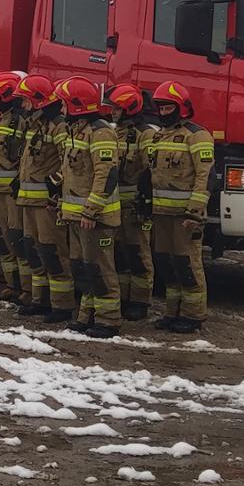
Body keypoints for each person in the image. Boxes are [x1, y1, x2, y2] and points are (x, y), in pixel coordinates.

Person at [57, 75, 123, 338]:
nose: (61, 109)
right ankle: (86, 315)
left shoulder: (101, 132)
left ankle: (108, 320)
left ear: (76, 105)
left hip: (96, 218)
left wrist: (91, 210)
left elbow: (106, 175)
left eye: (64, 104)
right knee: (83, 267)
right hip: (76, 216)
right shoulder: (76, 130)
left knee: (100, 268)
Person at [146, 81, 214, 333]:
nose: (163, 113)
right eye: (161, 108)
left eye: (168, 108)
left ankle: (193, 315)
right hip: (161, 214)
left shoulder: (197, 135)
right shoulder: (157, 136)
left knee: (187, 265)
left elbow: (205, 176)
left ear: (181, 108)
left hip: (185, 216)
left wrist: (195, 212)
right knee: (166, 264)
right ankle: (172, 312)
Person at [14, 74, 72, 320]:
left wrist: (54, 189)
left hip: (46, 204)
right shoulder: (35, 124)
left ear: (38, 101)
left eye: (26, 101)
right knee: (33, 251)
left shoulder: (59, 126)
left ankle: (61, 305)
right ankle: (40, 299)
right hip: (27, 201)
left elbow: (68, 162)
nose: (23, 105)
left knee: (53, 252)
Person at [107, 82, 158, 322]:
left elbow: (152, 170)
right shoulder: (113, 133)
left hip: (135, 205)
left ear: (129, 108)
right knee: (119, 253)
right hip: (116, 205)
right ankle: (124, 297)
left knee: (138, 253)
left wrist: (146, 201)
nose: (113, 112)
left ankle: (140, 301)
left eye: (117, 108)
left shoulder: (146, 134)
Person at [0, 71, 30, 303]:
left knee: (15, 238)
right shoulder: (3, 120)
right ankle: (12, 284)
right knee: (2, 237)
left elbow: (23, 157)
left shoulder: (20, 122)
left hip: (12, 192)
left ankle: (26, 288)